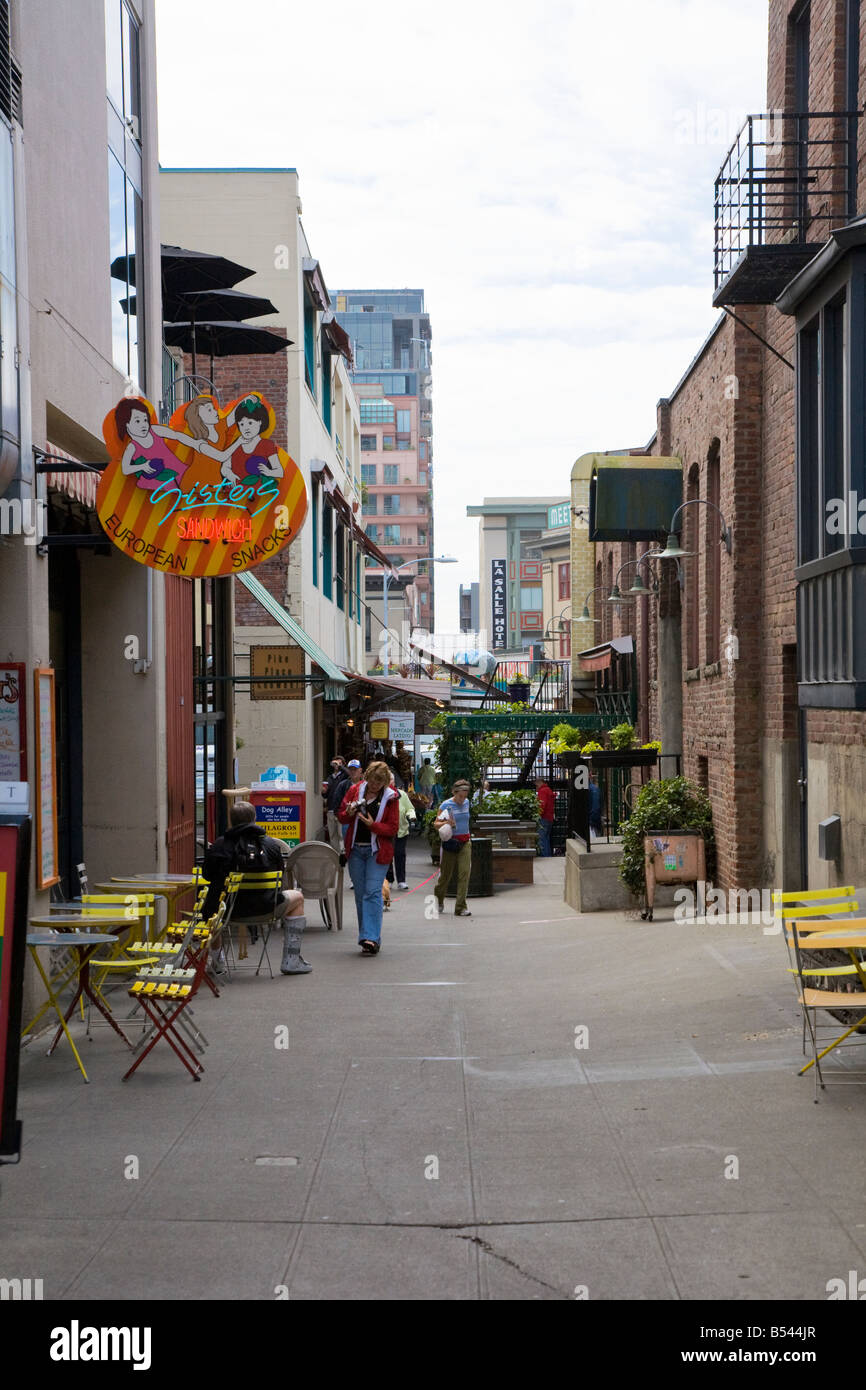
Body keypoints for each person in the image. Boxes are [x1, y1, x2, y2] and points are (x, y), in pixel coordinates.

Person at [201, 801, 309, 975]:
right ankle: (292, 960)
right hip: (266, 908)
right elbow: (280, 876)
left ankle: (218, 960)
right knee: (298, 897)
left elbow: (207, 875)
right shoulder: (271, 845)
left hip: (228, 911)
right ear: (254, 819)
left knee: (211, 905)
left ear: (231, 821)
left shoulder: (220, 845)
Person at [338, 760, 399, 955]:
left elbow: (393, 828)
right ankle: (368, 936)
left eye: (379, 783)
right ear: (367, 778)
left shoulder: (391, 798)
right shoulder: (355, 791)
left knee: (372, 892)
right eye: (372, 782)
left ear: (384, 783)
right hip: (356, 850)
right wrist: (348, 813)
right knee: (360, 894)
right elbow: (341, 816)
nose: (374, 786)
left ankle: (370, 938)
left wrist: (373, 825)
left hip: (377, 851)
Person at [433, 780, 473, 918]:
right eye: (460, 796)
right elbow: (436, 824)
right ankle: (438, 899)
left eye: (465, 796)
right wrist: (446, 822)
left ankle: (461, 907)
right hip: (451, 842)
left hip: (465, 842)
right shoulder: (446, 804)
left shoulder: (467, 803)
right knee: (445, 875)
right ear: (454, 793)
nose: (462, 799)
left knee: (464, 874)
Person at [386, 772, 416, 891]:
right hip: (387, 831)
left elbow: (409, 808)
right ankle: (388, 880)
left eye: (391, 780)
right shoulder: (382, 795)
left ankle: (401, 880)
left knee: (400, 854)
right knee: (387, 856)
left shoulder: (402, 794)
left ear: (394, 782)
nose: (389, 783)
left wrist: (411, 816)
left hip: (401, 830)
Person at [323, 756, 349, 854]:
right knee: (332, 834)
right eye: (335, 763)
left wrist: (341, 766)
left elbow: (348, 773)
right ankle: (335, 854)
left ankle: (343, 853)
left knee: (341, 833)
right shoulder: (330, 777)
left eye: (339, 763)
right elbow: (325, 794)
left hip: (340, 809)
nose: (337, 765)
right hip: (330, 809)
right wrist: (323, 792)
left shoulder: (344, 776)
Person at [536, 775, 555, 857]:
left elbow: (541, 805)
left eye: (536, 785)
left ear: (539, 783)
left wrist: (537, 815)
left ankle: (546, 857)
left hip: (543, 818)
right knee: (546, 838)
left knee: (542, 839)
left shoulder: (543, 791)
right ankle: (548, 856)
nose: (536, 787)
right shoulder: (548, 790)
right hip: (549, 818)